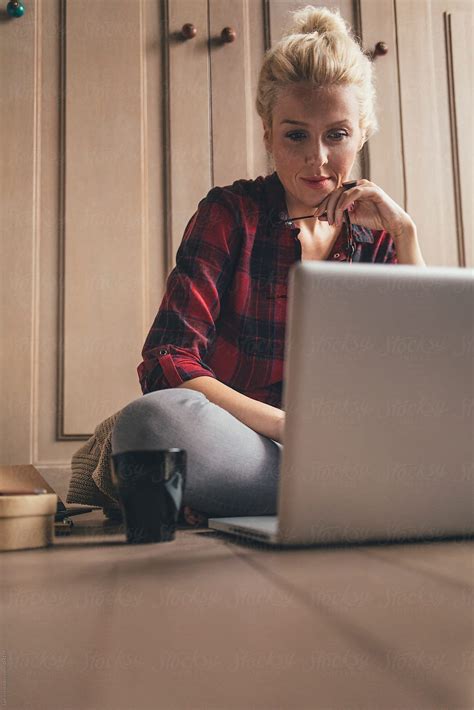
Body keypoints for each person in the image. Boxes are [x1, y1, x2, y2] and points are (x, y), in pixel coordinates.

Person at [111, 5, 426, 526]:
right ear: (268, 134)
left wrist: (405, 235)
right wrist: (293, 428)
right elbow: (169, 360)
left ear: (362, 134)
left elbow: (424, 372)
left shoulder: (378, 237)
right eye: (296, 135)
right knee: (152, 425)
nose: (317, 159)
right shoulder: (229, 214)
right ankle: (348, 497)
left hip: (359, 450)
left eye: (337, 135)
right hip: (254, 446)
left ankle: (342, 492)